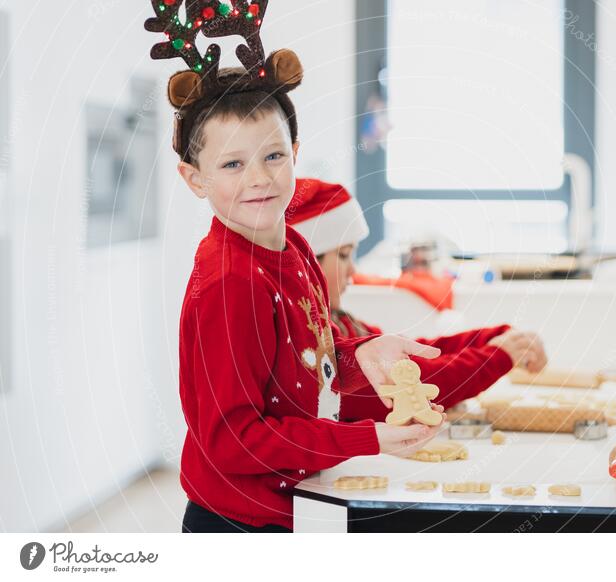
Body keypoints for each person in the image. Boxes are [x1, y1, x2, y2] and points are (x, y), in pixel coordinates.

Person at [145, 4, 445, 533]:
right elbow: (234, 438)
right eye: (232, 164)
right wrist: (367, 439)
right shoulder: (229, 283)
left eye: (274, 156)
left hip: (294, 503)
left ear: (296, 152)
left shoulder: (295, 248)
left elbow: (308, 370)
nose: (259, 178)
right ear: (195, 179)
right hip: (238, 526)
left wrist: (363, 353)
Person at [288, 178, 548, 422]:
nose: (353, 271)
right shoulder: (309, 343)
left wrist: (493, 337)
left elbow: (412, 355)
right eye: (344, 255)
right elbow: (409, 385)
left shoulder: (341, 322)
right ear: (308, 264)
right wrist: (497, 356)